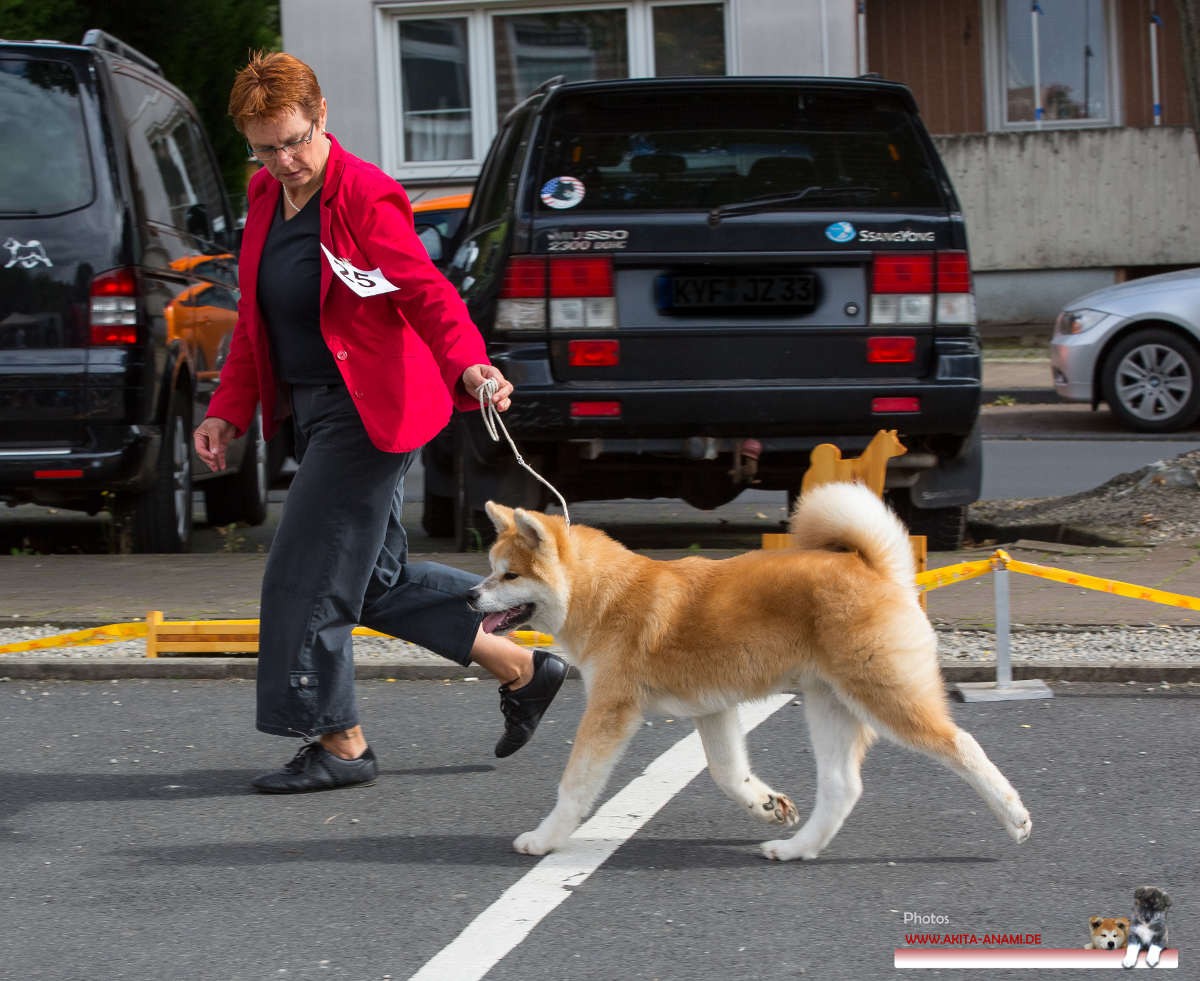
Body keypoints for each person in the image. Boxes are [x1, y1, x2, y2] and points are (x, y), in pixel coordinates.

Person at [193, 51, 566, 794]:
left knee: (305, 575)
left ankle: (341, 742)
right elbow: (257, 321)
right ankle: (523, 666)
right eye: (265, 148)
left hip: (370, 410)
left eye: (295, 140)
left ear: (322, 115)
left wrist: (470, 365)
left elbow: (426, 292)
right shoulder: (265, 196)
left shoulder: (364, 194)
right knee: (370, 580)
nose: (284, 161)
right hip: (312, 408)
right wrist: (226, 410)